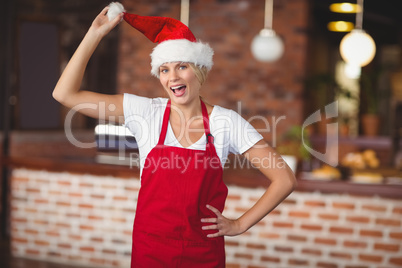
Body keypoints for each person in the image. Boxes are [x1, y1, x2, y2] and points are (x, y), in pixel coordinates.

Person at [52, 2, 297, 267]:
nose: (172, 77)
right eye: (164, 69)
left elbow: (284, 178)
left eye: (182, 67)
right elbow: (65, 94)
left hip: (203, 253)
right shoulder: (145, 112)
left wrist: (240, 224)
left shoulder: (226, 122)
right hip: (151, 249)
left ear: (199, 70)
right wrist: (95, 33)